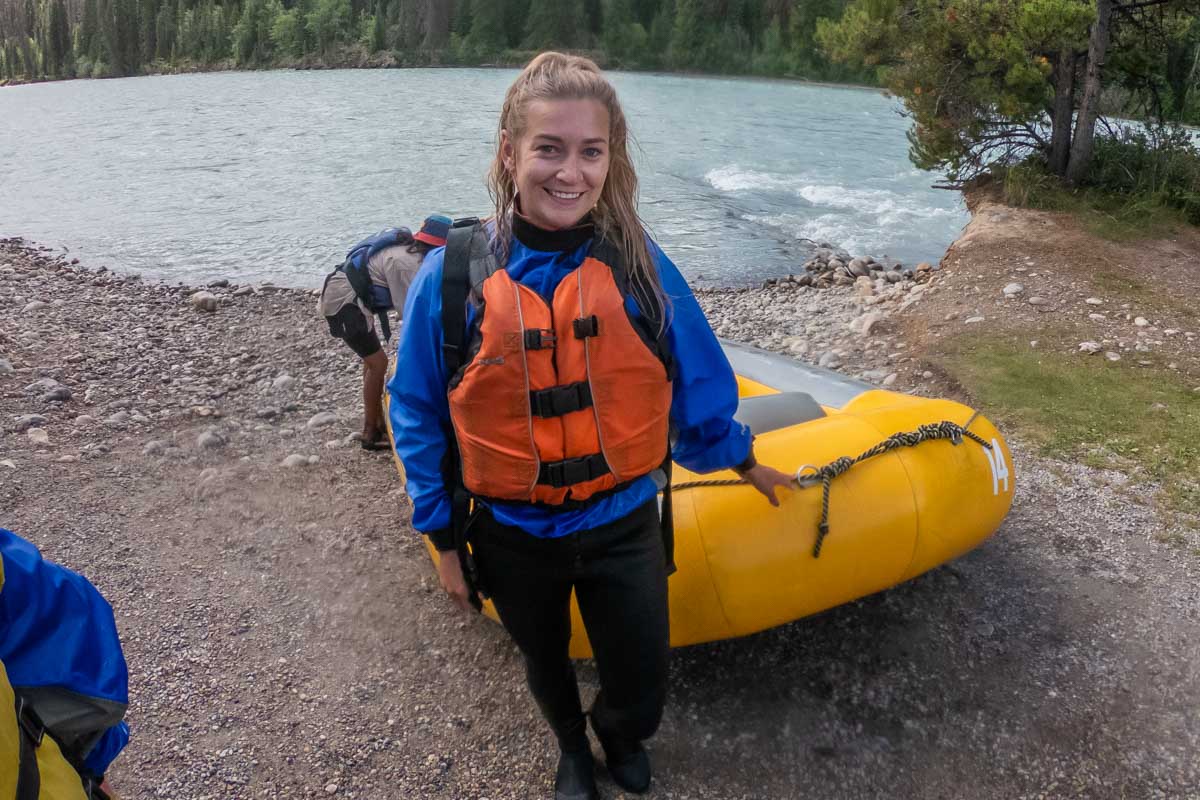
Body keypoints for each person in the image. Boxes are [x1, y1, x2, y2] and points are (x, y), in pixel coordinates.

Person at [387, 53, 793, 800]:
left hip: (623, 524)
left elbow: (694, 378)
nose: (568, 172)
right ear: (510, 154)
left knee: (642, 671)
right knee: (542, 660)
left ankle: (620, 730)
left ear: (611, 159)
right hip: (510, 533)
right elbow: (416, 411)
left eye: (589, 151)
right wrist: (444, 541)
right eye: (549, 148)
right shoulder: (454, 279)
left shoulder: (638, 265)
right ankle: (572, 749)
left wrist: (742, 460)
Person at [318, 214, 450, 450]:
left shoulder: (408, 252)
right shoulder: (405, 264)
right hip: (343, 303)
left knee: (371, 363)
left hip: (343, 296)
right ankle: (371, 433)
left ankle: (375, 421)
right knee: (378, 363)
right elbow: (411, 314)